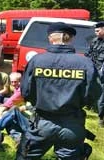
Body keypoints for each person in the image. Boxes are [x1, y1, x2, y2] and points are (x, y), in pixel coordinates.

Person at [17, 22, 102, 159]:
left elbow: (26, 92)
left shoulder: (36, 61)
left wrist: (39, 102)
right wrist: (77, 102)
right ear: (70, 39)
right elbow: (94, 93)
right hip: (72, 125)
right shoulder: (85, 63)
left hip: (42, 124)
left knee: (26, 156)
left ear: (51, 38)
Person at [85, 21, 104, 127]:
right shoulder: (94, 41)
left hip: (102, 73)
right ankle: (89, 107)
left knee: (101, 96)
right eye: (95, 31)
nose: (96, 32)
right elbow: (89, 53)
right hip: (93, 70)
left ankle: (101, 118)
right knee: (89, 90)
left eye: (98, 30)